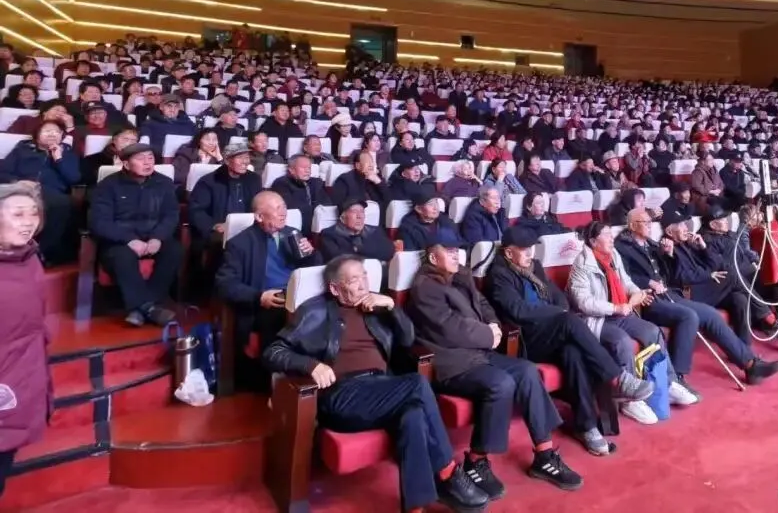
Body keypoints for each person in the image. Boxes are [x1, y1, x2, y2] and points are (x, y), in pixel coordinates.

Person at [265, 255, 490, 512]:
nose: (363, 284)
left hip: (382, 388)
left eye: (364, 276)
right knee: (417, 384)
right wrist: (311, 365)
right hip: (343, 395)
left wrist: (392, 307)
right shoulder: (315, 311)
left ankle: (415, 507)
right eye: (354, 280)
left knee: (413, 416)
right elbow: (273, 352)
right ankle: (448, 472)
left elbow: (408, 340)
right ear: (335, 289)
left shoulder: (376, 307)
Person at [407, 234, 583, 497]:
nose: (456, 255)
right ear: (433, 258)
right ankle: (476, 460)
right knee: (501, 383)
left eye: (457, 250)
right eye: (449, 251)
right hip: (453, 361)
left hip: (479, 352)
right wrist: (488, 336)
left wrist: (493, 325)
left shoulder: (461, 275)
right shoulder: (425, 287)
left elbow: (483, 303)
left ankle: (544, 454)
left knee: (527, 371)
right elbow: (450, 328)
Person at [485, 226, 655, 456]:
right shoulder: (499, 275)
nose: (530, 253)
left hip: (551, 331)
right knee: (568, 321)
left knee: (573, 354)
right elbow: (518, 311)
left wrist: (558, 311)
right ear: (508, 253)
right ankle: (617, 377)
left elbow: (559, 297)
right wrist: (557, 314)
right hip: (526, 339)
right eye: (524, 250)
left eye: (532, 248)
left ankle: (586, 426)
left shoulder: (534, 267)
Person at [616, 208, 778, 390]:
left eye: (650, 222)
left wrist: (667, 255)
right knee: (690, 315)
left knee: (712, 314)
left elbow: (669, 275)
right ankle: (677, 379)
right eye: (645, 222)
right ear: (632, 226)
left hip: (669, 294)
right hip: (647, 299)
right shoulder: (622, 248)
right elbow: (623, 277)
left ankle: (750, 365)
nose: (649, 226)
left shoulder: (653, 244)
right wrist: (648, 282)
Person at [568, 221, 698, 426]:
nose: (611, 238)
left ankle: (667, 382)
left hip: (621, 312)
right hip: (596, 320)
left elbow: (626, 281)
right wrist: (615, 308)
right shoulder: (581, 265)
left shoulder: (613, 255)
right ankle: (629, 399)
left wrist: (637, 292)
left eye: (611, 233)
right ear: (593, 241)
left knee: (652, 331)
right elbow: (583, 302)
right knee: (621, 341)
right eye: (606, 235)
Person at [217, 191, 322, 390]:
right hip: (267, 300)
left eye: (284, 206)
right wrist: (259, 296)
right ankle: (277, 383)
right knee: (279, 318)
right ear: (259, 216)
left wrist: (311, 254)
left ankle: (318, 373)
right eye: (276, 208)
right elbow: (225, 284)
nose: (283, 212)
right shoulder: (240, 244)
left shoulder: (293, 233)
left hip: (299, 295)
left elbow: (313, 269)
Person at [89, 143, 182, 327]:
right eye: (140, 159)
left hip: (153, 236)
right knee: (122, 256)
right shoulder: (108, 185)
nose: (147, 163)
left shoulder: (164, 183)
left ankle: (143, 307)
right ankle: (150, 308)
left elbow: (171, 215)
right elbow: (100, 222)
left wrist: (158, 237)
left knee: (174, 250)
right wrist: (129, 240)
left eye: (150, 158)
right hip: (120, 241)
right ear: (126, 164)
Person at [0, 183, 50, 498]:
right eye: (18, 214)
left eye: (33, 213)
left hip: (23, 374)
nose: (29, 221)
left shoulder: (29, 257)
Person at [0, 120, 81, 265]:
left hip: (51, 193)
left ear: (62, 136)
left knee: (63, 204)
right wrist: (18, 182)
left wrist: (59, 159)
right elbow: (3, 172)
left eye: (56, 132)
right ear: (37, 136)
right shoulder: (22, 150)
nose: (52, 134)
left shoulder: (68, 154)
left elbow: (74, 179)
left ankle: (42, 253)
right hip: (18, 189)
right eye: (47, 131)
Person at [189, 143, 263, 254]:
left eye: (247, 157)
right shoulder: (209, 181)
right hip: (220, 230)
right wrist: (214, 225)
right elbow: (196, 211)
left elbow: (260, 205)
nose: (245, 162)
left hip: (249, 228)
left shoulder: (254, 179)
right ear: (227, 160)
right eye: (240, 157)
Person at [271, 153, 332, 233]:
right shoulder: (281, 183)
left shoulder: (317, 182)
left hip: (318, 229)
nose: (307, 170)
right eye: (303, 167)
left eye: (309, 168)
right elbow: (291, 208)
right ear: (291, 170)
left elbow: (327, 205)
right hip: (296, 228)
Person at [319, 198, 395, 263]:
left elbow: (389, 251)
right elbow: (340, 260)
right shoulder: (329, 234)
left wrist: (358, 249)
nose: (359, 216)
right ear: (342, 218)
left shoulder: (374, 230)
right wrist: (372, 252)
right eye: (354, 211)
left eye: (362, 211)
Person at [399, 184, 459, 252]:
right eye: (430, 204)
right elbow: (410, 253)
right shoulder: (408, 227)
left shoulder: (446, 220)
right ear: (418, 209)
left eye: (436, 202)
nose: (435, 208)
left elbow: (459, 243)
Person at [171, 128, 224, 192]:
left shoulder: (219, 157)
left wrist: (219, 158)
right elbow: (178, 177)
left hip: (209, 190)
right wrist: (201, 164)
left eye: (214, 139)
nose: (211, 143)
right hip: (186, 190)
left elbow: (225, 178)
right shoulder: (186, 154)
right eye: (207, 139)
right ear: (199, 141)